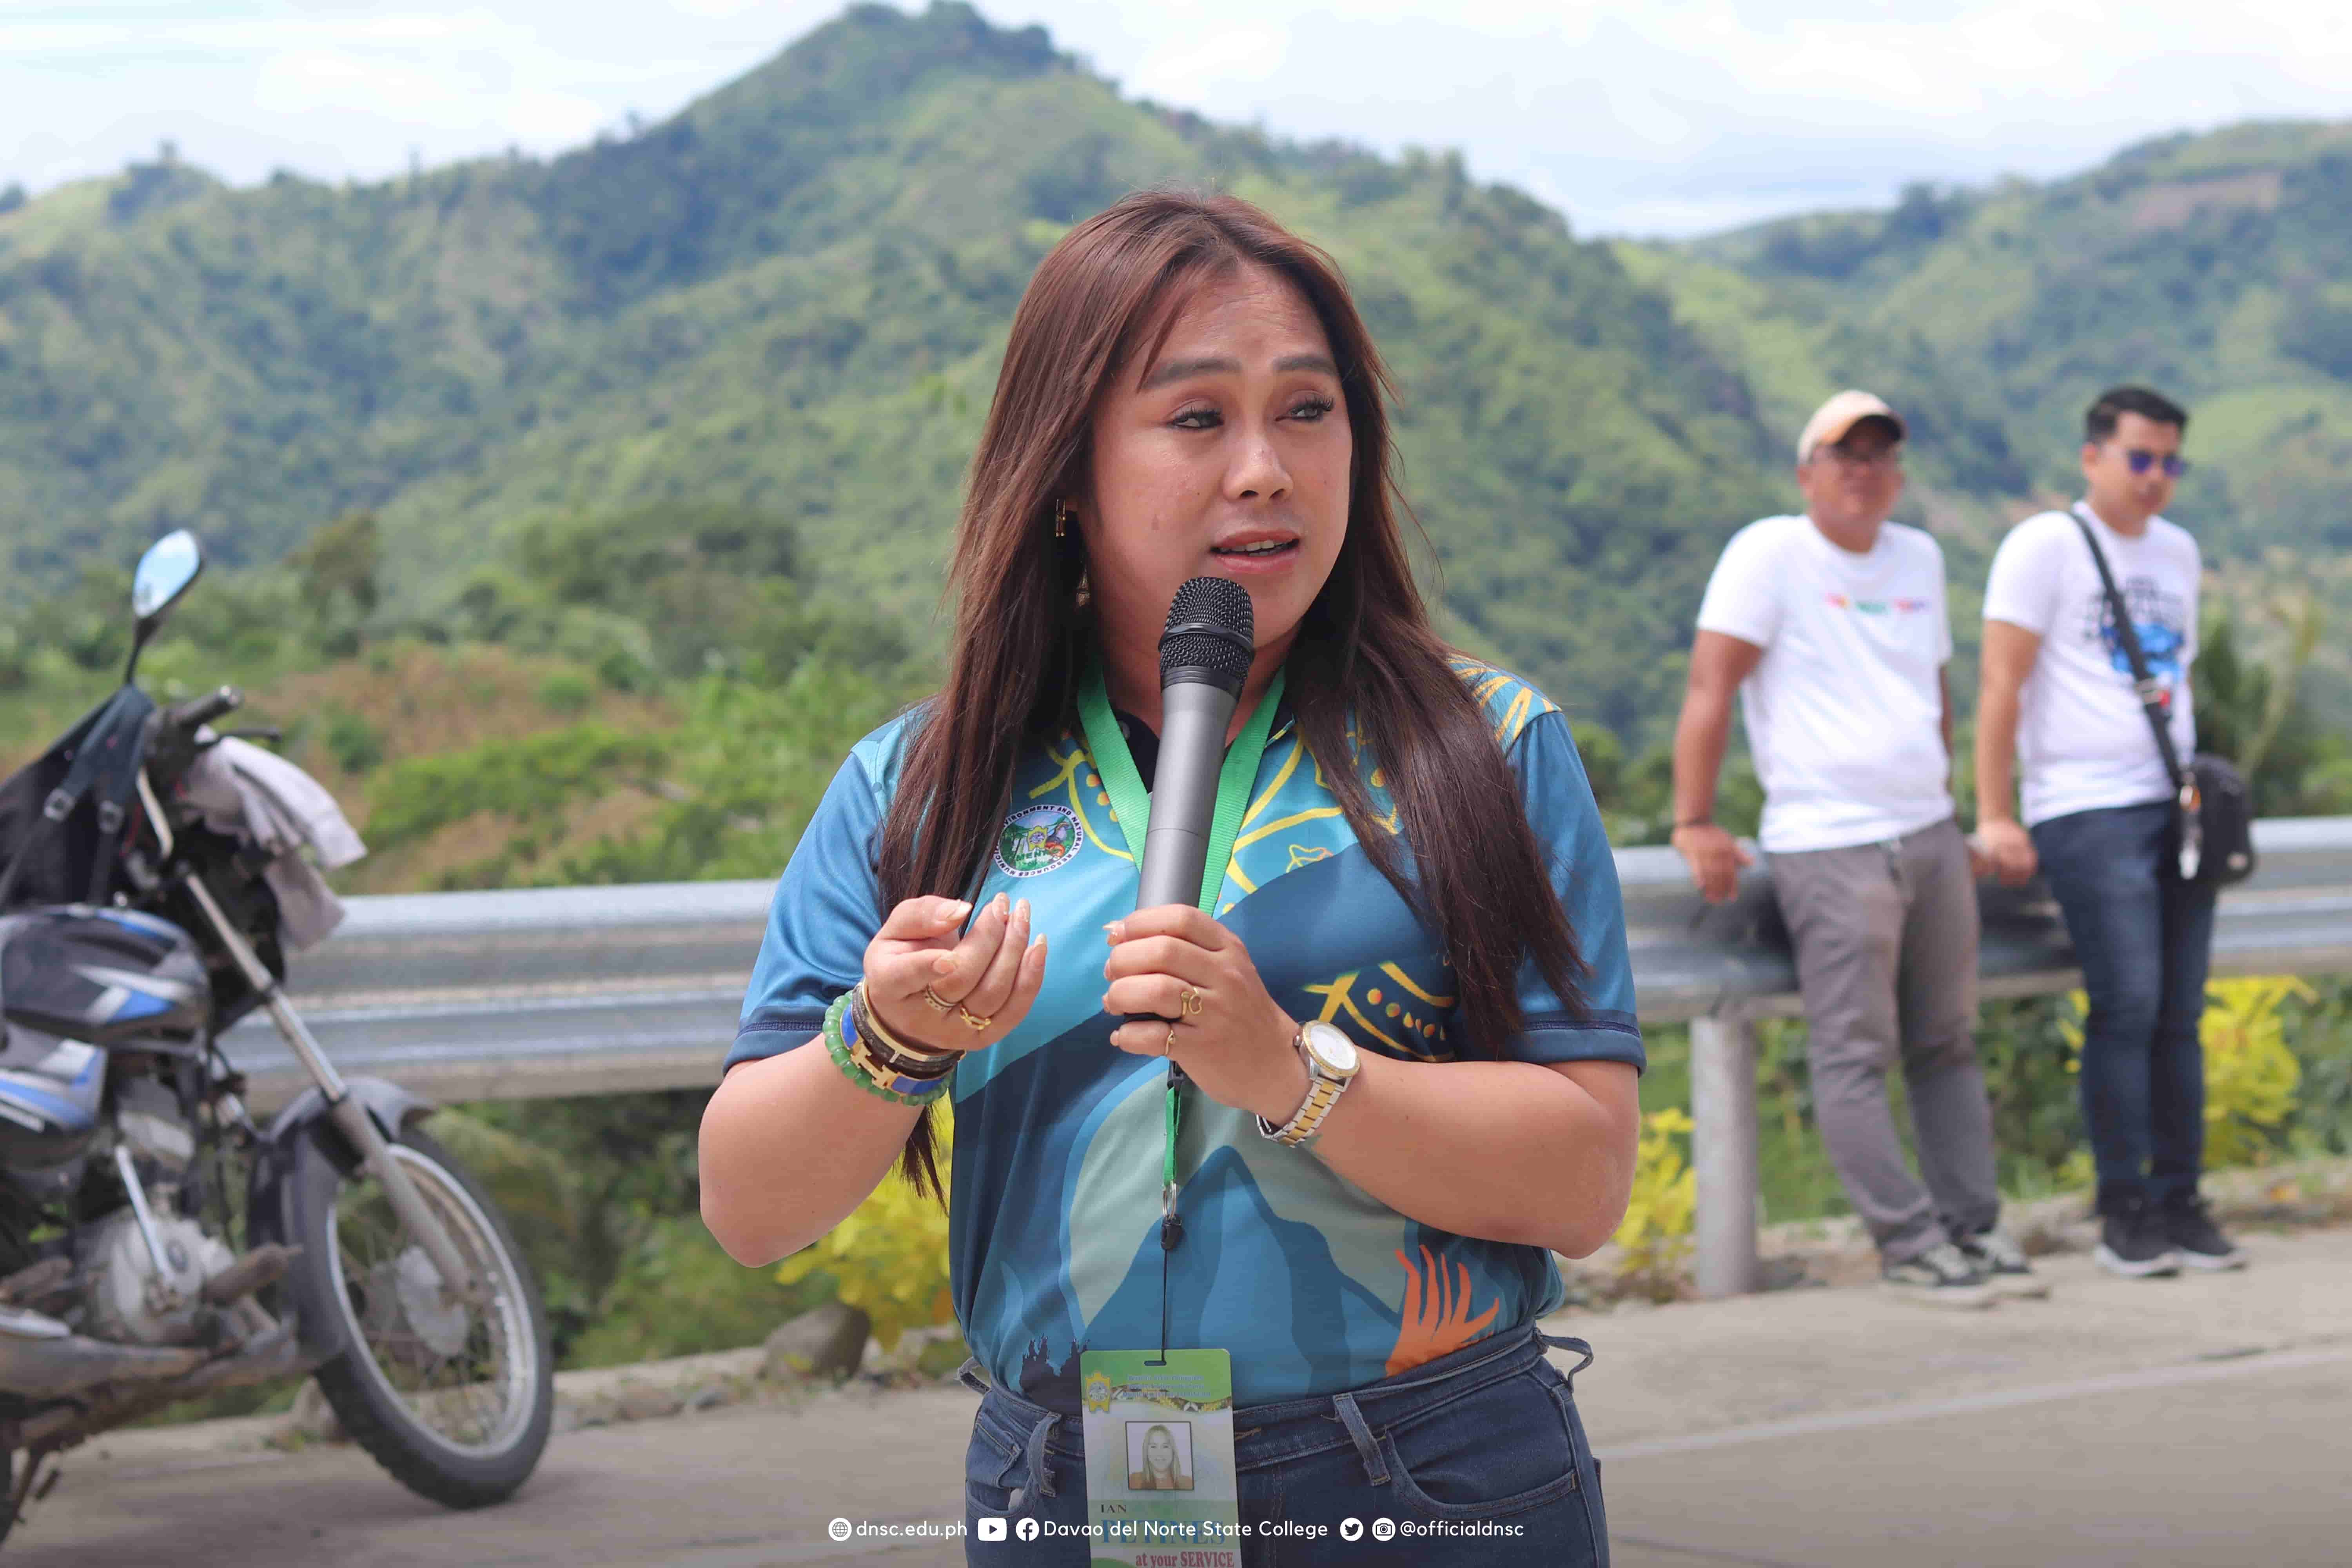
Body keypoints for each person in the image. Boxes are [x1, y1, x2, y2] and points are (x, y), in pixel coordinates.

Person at [699, 191, 1642, 1566]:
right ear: (1067, 471)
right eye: (1197, 419)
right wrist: (887, 1038)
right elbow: (750, 1208)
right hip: (1079, 1478)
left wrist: (1288, 1067)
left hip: (1426, 1467)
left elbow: (1585, 1177)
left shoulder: (1488, 748)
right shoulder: (920, 783)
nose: (1264, 469)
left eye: (1307, 413)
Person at [1669, 389, 2038, 1307]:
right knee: (1855, 1050)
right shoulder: (1769, 552)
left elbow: (1936, 689)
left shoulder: (1917, 554)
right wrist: (1694, 819)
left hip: (1927, 830)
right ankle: (1910, 1245)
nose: (1862, 468)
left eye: (1878, 454)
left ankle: (1973, 1227)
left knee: (1948, 1041)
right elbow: (1712, 687)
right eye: (1843, 453)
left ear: (1897, 474)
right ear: (1807, 474)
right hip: (1827, 840)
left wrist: (1957, 809)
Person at [1976, 385, 2243, 1278]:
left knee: (2179, 1011)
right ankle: (2124, 1208)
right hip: (2083, 807)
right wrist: (1996, 811)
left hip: (2175, 805)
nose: (2157, 477)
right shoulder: (2045, 545)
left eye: (2172, 461)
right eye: (2141, 458)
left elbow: (2182, 677)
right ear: (2093, 456)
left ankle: (2182, 1199)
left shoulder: (2178, 551)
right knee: (2126, 1002)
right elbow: (2001, 687)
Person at [1129, 1423, 1192, 1491]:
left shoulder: (1188, 1483)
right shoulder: (1134, 1480)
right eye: (1154, 1447)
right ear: (1146, 1452)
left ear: (1173, 1451)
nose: (1160, 1453)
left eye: (1165, 1446)